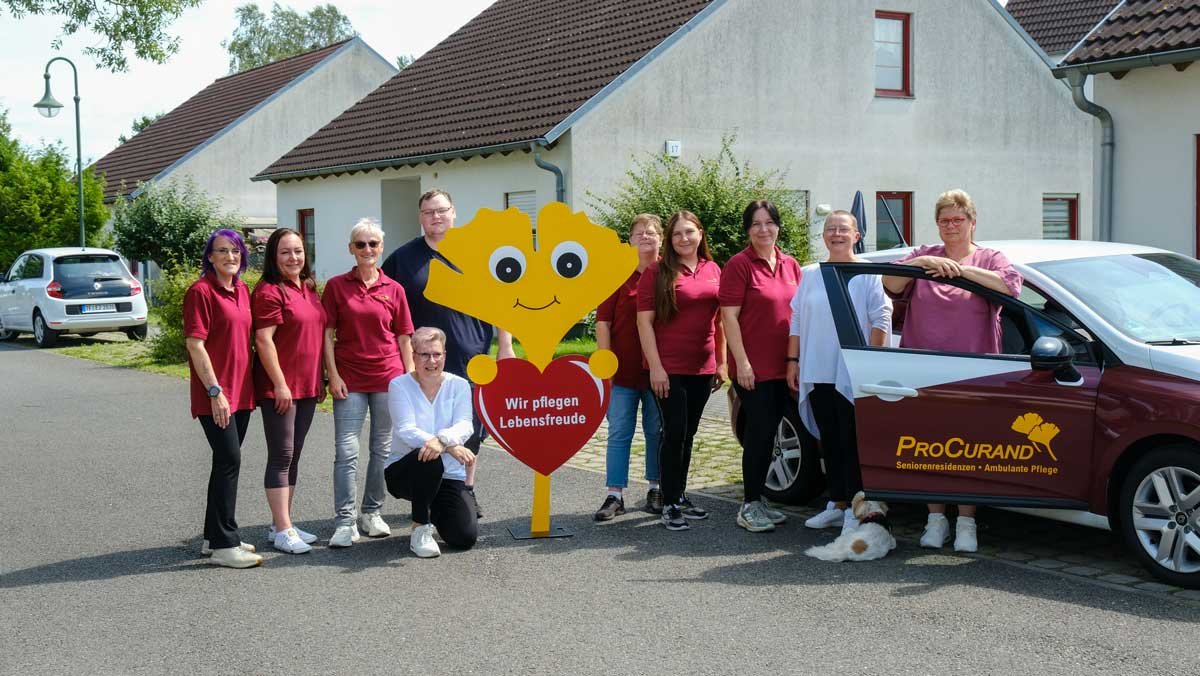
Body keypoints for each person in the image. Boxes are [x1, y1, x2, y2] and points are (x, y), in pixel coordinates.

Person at [882, 189, 1022, 552]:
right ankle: (935, 519)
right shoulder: (923, 256)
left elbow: (1009, 287)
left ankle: (966, 523)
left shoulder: (990, 258)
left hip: (973, 371)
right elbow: (889, 283)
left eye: (958, 219)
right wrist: (921, 264)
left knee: (970, 448)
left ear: (972, 222)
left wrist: (963, 271)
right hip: (924, 369)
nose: (951, 226)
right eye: (944, 220)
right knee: (928, 445)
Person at [381, 189, 514, 518]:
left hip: (473, 361)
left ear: (454, 213)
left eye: (441, 211)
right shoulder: (402, 259)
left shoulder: (478, 255)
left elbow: (502, 303)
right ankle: (428, 488)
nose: (435, 217)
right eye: (428, 212)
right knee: (425, 428)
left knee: (469, 430)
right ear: (420, 217)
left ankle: (464, 491)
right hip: (424, 362)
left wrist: (506, 346)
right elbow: (383, 306)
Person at [788, 210, 891, 535]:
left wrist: (870, 363)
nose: (836, 234)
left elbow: (881, 318)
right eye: (830, 229)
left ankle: (857, 509)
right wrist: (793, 361)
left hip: (851, 372)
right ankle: (837, 503)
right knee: (828, 439)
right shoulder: (811, 274)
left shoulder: (868, 274)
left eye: (843, 229)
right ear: (823, 236)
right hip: (818, 368)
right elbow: (797, 319)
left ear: (856, 235)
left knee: (851, 442)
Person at [322, 218, 415, 548]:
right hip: (349, 380)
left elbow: (404, 337)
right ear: (351, 249)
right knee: (346, 452)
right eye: (360, 244)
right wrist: (332, 375)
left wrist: (410, 377)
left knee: (382, 449)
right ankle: (345, 521)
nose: (367, 250)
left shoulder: (394, 289)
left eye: (373, 244)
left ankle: (372, 513)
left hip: (388, 379)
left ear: (381, 248)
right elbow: (327, 334)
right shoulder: (336, 286)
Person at [637, 210, 726, 532]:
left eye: (689, 232)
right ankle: (669, 501)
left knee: (689, 433)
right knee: (673, 433)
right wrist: (656, 368)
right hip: (668, 367)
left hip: (702, 367)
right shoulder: (656, 273)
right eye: (677, 234)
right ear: (670, 240)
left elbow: (719, 321)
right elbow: (644, 324)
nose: (684, 238)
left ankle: (680, 494)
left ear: (700, 234)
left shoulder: (714, 269)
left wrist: (720, 360)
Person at [720, 200, 803, 533]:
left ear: (778, 226)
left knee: (772, 438)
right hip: (753, 369)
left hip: (785, 367)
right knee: (758, 435)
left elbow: (798, 315)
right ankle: (749, 505)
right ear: (748, 230)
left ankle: (759, 500)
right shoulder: (739, 265)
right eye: (756, 224)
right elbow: (729, 317)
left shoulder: (791, 264)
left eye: (769, 223)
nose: (764, 229)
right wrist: (742, 363)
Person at [185, 229, 260, 568]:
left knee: (225, 462)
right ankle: (224, 544)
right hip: (217, 394)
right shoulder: (201, 292)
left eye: (235, 250)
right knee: (230, 459)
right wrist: (215, 392)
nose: (230, 256)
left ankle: (212, 536)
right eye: (222, 251)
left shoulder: (242, 290)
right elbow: (195, 345)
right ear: (210, 257)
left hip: (243, 392)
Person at [252, 228, 325, 554]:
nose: (293, 257)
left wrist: (321, 376)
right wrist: (280, 383)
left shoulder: (308, 287)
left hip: (308, 384)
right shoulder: (269, 291)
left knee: (293, 454)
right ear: (273, 256)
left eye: (298, 251)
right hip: (280, 387)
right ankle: (282, 530)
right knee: (281, 455)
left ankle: (282, 523)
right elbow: (263, 340)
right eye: (285, 252)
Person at [593, 214, 665, 521]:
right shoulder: (616, 273)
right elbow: (603, 323)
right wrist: (605, 363)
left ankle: (656, 488)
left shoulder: (668, 272)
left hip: (659, 371)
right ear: (630, 239)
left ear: (661, 238)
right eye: (639, 233)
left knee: (656, 431)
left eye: (651, 232)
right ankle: (615, 495)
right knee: (619, 432)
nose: (645, 236)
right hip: (621, 371)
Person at [384, 327, 480, 558]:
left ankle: (433, 507)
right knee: (428, 457)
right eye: (424, 355)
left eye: (437, 354)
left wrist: (443, 441)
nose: (431, 361)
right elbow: (406, 430)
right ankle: (420, 528)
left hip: (449, 474)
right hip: (405, 471)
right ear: (414, 356)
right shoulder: (399, 386)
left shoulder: (458, 384)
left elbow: (465, 425)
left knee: (463, 537)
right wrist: (447, 445)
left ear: (445, 355)